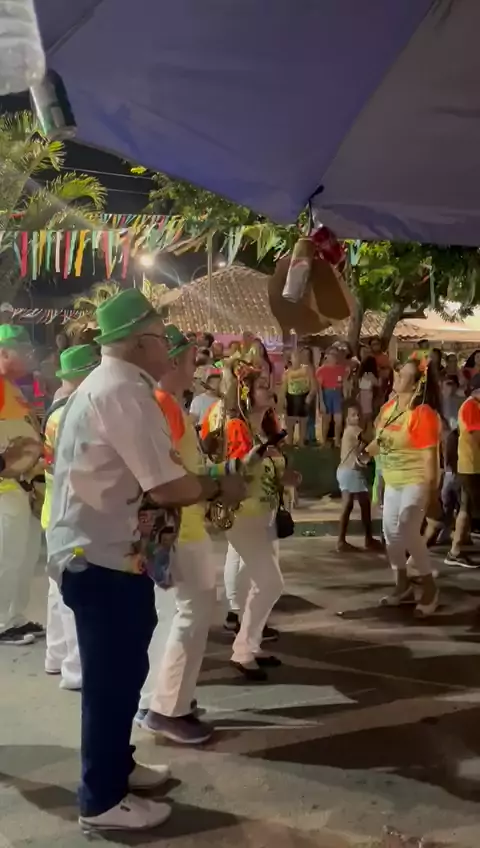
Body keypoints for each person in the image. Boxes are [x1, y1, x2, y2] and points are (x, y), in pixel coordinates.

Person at [46, 289, 245, 833]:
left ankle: (117, 768)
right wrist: (220, 485)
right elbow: (168, 486)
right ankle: (102, 801)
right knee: (111, 683)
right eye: (162, 337)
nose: (172, 347)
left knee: (122, 673)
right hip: (101, 558)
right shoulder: (125, 393)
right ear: (138, 342)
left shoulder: (113, 385)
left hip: (103, 553)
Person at [138, 326, 218, 744]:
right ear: (173, 361)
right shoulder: (164, 404)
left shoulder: (164, 403)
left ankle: (160, 699)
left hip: (179, 528)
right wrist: (215, 486)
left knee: (174, 617)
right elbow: (165, 476)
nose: (196, 367)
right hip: (180, 529)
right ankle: (168, 709)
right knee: (192, 614)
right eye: (191, 360)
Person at [208, 363, 299, 681]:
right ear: (246, 393)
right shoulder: (237, 427)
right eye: (262, 385)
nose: (269, 389)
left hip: (267, 514)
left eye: (269, 384)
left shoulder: (266, 429)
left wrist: (286, 477)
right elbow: (233, 469)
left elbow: (268, 473)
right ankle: (243, 650)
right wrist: (257, 458)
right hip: (243, 516)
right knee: (272, 582)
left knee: (258, 582)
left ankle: (251, 645)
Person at [42, 345, 100, 690]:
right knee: (75, 596)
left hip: (53, 511)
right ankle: (76, 670)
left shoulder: (55, 409)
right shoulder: (75, 413)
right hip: (72, 514)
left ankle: (56, 654)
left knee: (57, 589)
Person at [367, 355, 442, 615]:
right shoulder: (389, 408)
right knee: (391, 534)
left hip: (416, 480)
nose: (396, 377)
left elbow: (430, 458)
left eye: (403, 375)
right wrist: (365, 454)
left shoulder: (422, 414)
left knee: (408, 527)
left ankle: (430, 588)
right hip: (392, 480)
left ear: (417, 384)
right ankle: (402, 585)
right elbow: (380, 441)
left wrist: (432, 493)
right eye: (397, 373)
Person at [0, 325, 45, 646]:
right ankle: (2, 622)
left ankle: (14, 616)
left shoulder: (12, 387)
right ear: (3, 353)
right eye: (23, 350)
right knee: (7, 556)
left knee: (24, 556)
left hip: (22, 486)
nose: (30, 356)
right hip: (5, 487)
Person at [445, 372, 480, 568]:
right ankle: (455, 549)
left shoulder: (475, 405)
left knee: (466, 507)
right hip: (470, 465)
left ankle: (456, 550)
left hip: (472, 465)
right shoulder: (471, 406)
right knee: (467, 507)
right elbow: (476, 435)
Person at [336, 403, 381, 552]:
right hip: (350, 471)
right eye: (353, 415)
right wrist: (375, 423)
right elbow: (369, 438)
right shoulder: (353, 430)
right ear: (347, 418)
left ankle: (361, 539)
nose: (357, 417)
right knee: (354, 505)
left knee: (356, 504)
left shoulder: (351, 431)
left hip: (350, 470)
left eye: (358, 414)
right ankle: (349, 540)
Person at [282, 348, 317, 446]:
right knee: (290, 421)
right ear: (291, 359)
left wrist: (310, 395)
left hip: (304, 397)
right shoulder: (287, 373)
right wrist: (284, 399)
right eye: (295, 357)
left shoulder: (307, 369)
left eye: (298, 356)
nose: (297, 359)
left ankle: (301, 441)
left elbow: (313, 385)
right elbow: (284, 388)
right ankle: (290, 440)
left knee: (303, 420)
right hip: (291, 398)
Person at [316, 347, 345, 447]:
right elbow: (319, 388)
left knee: (338, 420)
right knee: (326, 420)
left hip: (337, 395)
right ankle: (324, 441)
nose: (333, 357)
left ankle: (337, 441)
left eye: (335, 354)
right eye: (331, 354)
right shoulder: (321, 370)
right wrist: (321, 402)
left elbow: (344, 382)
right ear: (327, 356)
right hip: (327, 394)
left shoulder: (341, 369)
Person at [358, 355, 379, 428]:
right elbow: (377, 383)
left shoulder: (361, 374)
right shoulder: (370, 375)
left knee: (363, 413)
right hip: (367, 395)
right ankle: (367, 430)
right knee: (368, 414)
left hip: (361, 394)